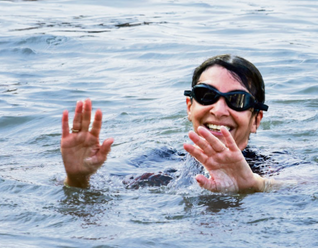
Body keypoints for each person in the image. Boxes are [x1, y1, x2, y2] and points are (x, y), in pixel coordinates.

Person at [60, 54, 285, 193]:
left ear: (256, 119)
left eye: (237, 100)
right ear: (190, 107)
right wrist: (78, 178)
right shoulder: (159, 163)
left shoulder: (273, 167)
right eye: (206, 95)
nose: (218, 110)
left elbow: (309, 185)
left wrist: (256, 186)